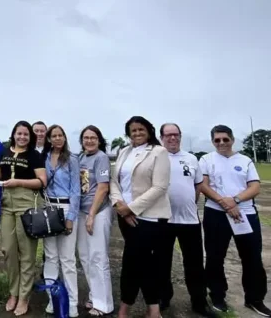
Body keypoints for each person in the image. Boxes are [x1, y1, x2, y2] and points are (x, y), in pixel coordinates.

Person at [199, 125, 269, 316]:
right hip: (216, 213)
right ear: (213, 141)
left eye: (225, 139)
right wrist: (225, 203)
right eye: (217, 140)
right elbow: (204, 186)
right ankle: (217, 296)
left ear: (232, 139)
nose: (221, 143)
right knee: (215, 257)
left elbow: (254, 187)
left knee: (252, 258)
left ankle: (255, 299)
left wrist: (235, 200)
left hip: (245, 213)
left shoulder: (245, 160)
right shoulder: (206, 159)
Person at [0, 121, 46, 316]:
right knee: (9, 251)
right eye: (19, 134)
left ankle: (24, 296)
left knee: (27, 253)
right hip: (6, 204)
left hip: (27, 203)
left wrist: (18, 182)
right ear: (14, 134)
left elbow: (42, 181)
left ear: (30, 137)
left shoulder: (34, 155)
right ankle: (13, 293)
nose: (22, 137)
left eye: (26, 134)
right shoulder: (4, 152)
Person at [110, 116, 171, 318]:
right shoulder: (124, 152)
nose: (136, 133)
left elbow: (160, 187)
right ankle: (152, 309)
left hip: (149, 218)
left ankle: (126, 309)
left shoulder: (158, 152)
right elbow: (114, 182)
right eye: (133, 130)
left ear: (149, 131)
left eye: (140, 129)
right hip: (124, 215)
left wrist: (131, 209)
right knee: (141, 263)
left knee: (133, 263)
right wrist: (120, 206)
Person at [158, 123, 215, 317]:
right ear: (161, 138)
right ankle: (163, 298)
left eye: (176, 135)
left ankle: (199, 301)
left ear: (180, 136)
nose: (172, 138)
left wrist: (189, 201)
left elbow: (198, 185)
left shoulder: (191, 158)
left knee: (195, 264)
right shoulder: (157, 157)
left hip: (189, 220)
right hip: (163, 220)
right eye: (168, 135)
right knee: (162, 263)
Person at [43, 125, 80, 317]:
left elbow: (76, 190)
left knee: (67, 258)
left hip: (66, 207)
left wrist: (71, 217)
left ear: (65, 138)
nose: (57, 138)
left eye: (60, 135)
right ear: (49, 139)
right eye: (53, 136)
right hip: (49, 208)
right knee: (51, 257)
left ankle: (72, 302)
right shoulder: (44, 158)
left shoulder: (72, 159)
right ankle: (52, 298)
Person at [76, 125, 114, 317]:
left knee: (98, 257)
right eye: (86, 137)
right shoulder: (81, 158)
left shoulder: (101, 158)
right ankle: (94, 294)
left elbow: (102, 188)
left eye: (93, 138)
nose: (89, 141)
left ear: (99, 140)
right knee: (84, 257)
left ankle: (104, 303)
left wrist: (92, 214)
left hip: (97, 213)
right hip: (82, 212)